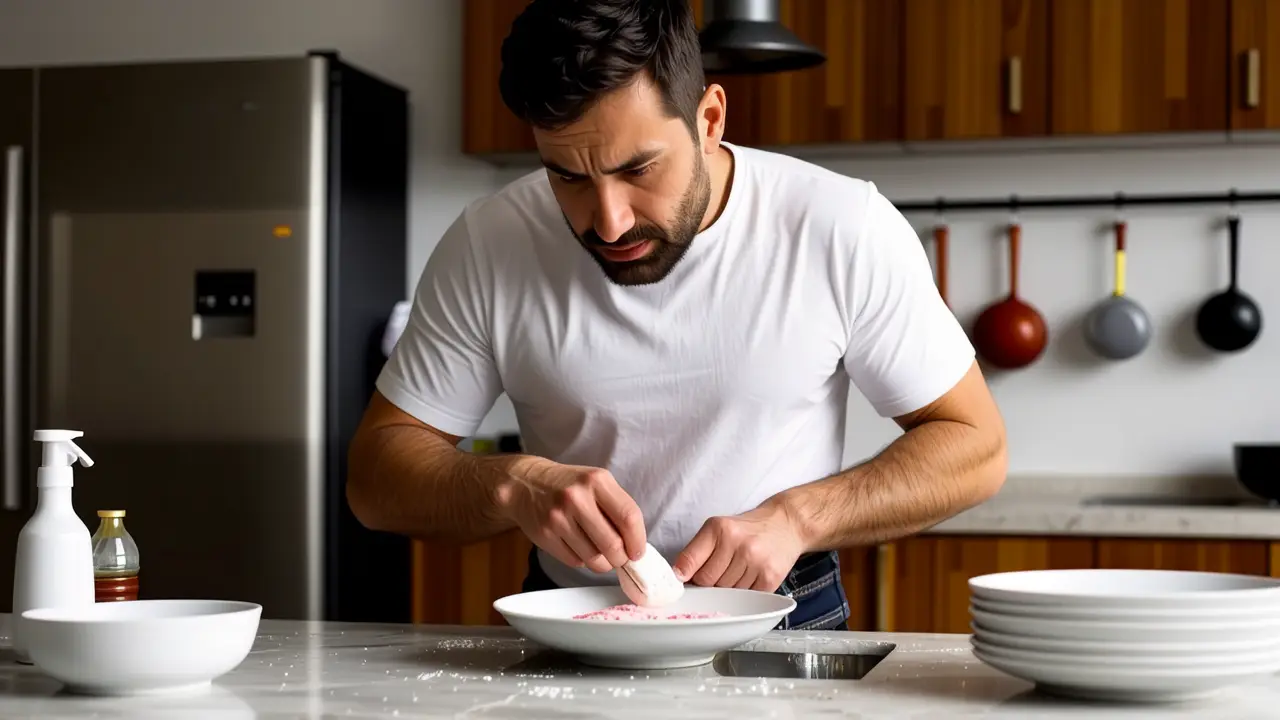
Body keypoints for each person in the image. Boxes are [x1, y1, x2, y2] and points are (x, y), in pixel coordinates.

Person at [347, 0, 1007, 631]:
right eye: (568, 178)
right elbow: (376, 479)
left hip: (782, 613)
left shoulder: (838, 225)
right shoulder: (490, 241)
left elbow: (976, 445)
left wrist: (799, 518)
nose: (609, 221)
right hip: (573, 614)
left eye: (638, 168)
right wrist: (513, 485)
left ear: (710, 119)